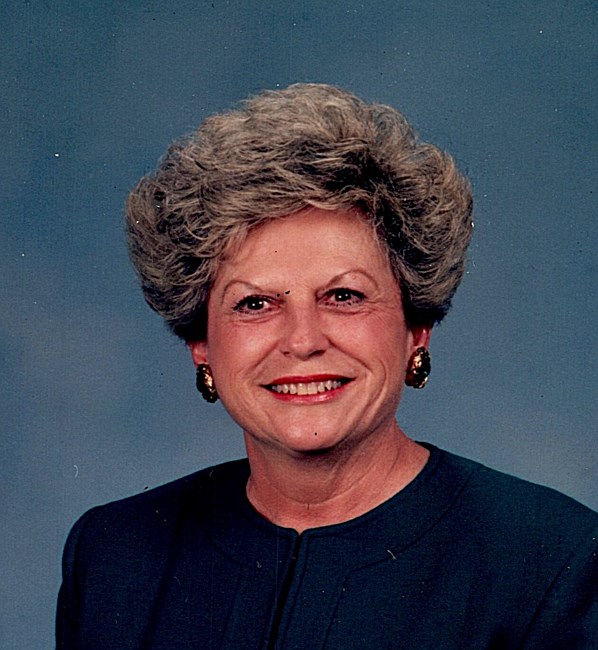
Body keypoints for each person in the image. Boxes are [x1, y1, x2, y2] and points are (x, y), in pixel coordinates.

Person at [56, 84, 597, 649]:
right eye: (255, 303)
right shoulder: (115, 555)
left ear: (416, 326)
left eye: (344, 296)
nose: (302, 340)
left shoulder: (553, 563)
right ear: (201, 343)